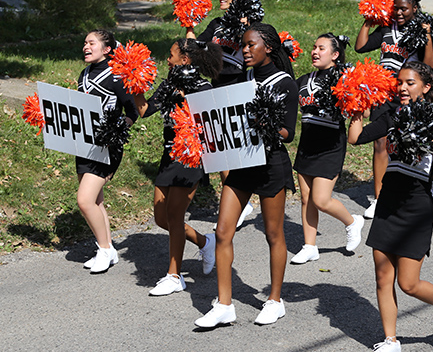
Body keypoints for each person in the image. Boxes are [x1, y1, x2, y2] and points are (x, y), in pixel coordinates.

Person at [348, 61, 433, 352]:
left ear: (425, 87)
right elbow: (356, 138)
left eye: (410, 83)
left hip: (416, 204)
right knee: (383, 275)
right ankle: (390, 341)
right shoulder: (391, 115)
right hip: (389, 201)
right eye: (400, 82)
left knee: (408, 283)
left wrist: (431, 143)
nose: (402, 87)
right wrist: (355, 103)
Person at [195, 23, 299, 328]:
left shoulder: (285, 84)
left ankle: (274, 300)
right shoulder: (244, 77)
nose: (245, 50)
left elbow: (288, 133)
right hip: (241, 161)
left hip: (271, 164)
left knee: (273, 234)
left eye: (251, 45)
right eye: (243, 45)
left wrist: (265, 122)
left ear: (268, 46)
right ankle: (224, 304)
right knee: (223, 232)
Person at [133, 39, 223, 296]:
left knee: (174, 217)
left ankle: (174, 276)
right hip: (169, 154)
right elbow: (145, 110)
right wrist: (134, 81)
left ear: (185, 59)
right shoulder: (169, 83)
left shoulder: (204, 88)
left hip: (191, 158)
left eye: (171, 55)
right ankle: (205, 242)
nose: (167, 59)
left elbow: (212, 127)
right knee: (161, 218)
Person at [355, 0, 433, 219]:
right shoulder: (386, 28)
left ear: (414, 9)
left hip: (407, 94)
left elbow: (429, 66)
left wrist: (428, 36)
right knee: (380, 143)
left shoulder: (419, 31)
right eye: (396, 8)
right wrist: (368, 21)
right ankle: (379, 198)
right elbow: (360, 47)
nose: (399, 12)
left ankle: (431, 177)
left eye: (404, 9)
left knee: (412, 142)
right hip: (383, 93)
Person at [291, 33, 364, 265]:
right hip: (307, 144)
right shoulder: (303, 80)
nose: (315, 51)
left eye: (321, 48)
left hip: (330, 144)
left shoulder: (343, 79)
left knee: (321, 200)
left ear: (334, 55)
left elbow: (362, 107)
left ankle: (352, 221)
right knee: (306, 199)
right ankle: (310, 246)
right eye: (314, 47)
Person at [191, 0, 256, 227]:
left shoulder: (249, 25)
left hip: (238, 90)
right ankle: (240, 202)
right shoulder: (216, 24)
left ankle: (238, 202)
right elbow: (196, 48)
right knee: (219, 150)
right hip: (216, 89)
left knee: (231, 152)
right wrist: (189, 26)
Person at [77, 30, 138, 273]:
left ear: (107, 49)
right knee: (96, 200)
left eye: (91, 43)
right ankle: (109, 249)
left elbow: (133, 112)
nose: (86, 46)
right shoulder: (84, 74)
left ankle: (103, 248)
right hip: (84, 144)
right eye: (84, 43)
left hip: (107, 146)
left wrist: (115, 132)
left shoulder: (117, 76)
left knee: (84, 200)